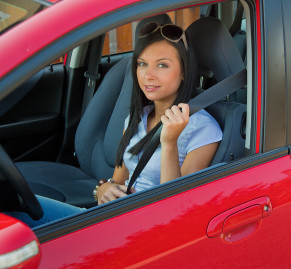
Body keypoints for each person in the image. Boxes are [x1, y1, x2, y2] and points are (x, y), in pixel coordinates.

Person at [7, 22, 222, 227]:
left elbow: (174, 209)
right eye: (142, 64)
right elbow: (119, 180)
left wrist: (169, 143)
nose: (148, 75)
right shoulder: (137, 117)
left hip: (143, 230)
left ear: (184, 71)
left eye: (162, 65)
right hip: (114, 215)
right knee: (12, 203)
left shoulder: (203, 130)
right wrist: (103, 188)